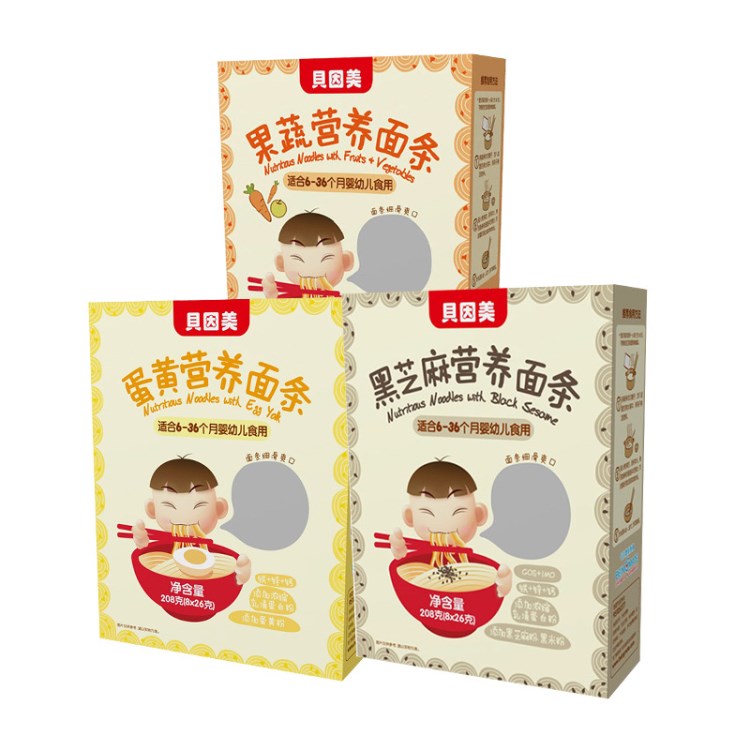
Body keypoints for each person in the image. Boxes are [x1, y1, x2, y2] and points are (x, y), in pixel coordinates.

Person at [390, 458, 512, 598]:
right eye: (427, 512)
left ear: (479, 515)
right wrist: (399, 550)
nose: (441, 523)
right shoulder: (420, 557)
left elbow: (496, 580)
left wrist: (503, 584)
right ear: (409, 516)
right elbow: (402, 562)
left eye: (458, 512)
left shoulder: (480, 561)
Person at [132, 456, 251, 585]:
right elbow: (145, 557)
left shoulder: (216, 557)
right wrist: (142, 541)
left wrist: (242, 574)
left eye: (199, 506)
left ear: (219, 508)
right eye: (169, 506)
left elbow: (231, 572)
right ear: (152, 509)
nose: (183, 516)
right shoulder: (161, 550)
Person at [262, 211, 354, 297]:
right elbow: (278, 304)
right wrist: (271, 293)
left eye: (326, 257)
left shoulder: (345, 302)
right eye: (297, 258)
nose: (313, 266)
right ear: (280, 263)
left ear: (346, 261)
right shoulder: (291, 301)